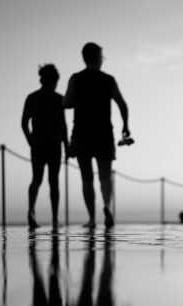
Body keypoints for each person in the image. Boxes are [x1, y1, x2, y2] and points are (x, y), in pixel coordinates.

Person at [64, 42, 130, 228]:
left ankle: (92, 219)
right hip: (103, 134)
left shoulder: (76, 78)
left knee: (86, 177)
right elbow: (122, 104)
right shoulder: (108, 80)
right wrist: (125, 126)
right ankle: (107, 206)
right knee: (105, 176)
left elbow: (67, 103)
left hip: (81, 134)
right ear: (98, 57)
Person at [21, 64, 68, 230]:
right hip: (54, 144)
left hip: (38, 144)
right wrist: (67, 147)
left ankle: (31, 211)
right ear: (54, 80)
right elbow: (63, 126)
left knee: (36, 178)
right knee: (53, 182)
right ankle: (55, 219)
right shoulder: (58, 99)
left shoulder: (32, 97)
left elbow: (24, 123)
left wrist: (30, 141)